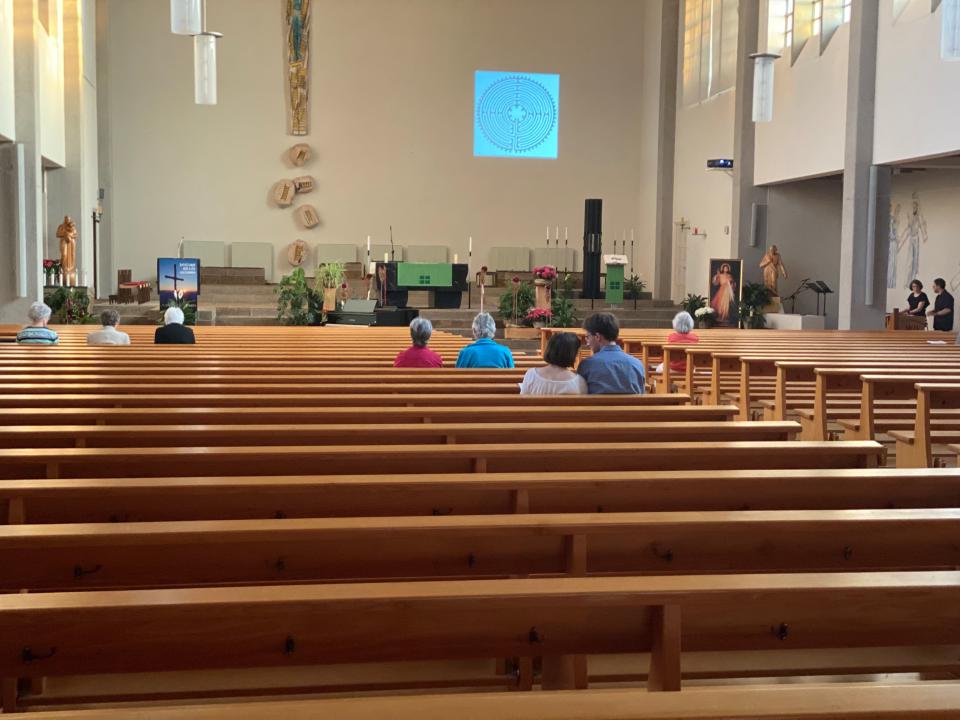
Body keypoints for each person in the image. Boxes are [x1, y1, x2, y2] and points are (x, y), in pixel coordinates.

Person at [577, 312, 645, 394]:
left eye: (588, 337)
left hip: (596, 407)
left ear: (597, 337)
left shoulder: (587, 364)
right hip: (632, 407)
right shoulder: (637, 363)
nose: (588, 343)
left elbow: (581, 394)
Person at [519, 332, 587, 395]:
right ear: (572, 354)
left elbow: (522, 401)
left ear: (549, 349)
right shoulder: (579, 382)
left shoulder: (531, 375)